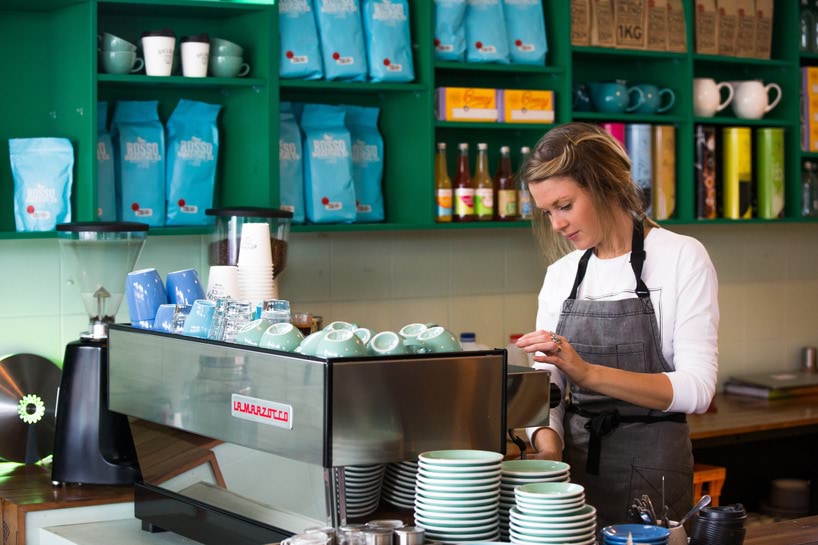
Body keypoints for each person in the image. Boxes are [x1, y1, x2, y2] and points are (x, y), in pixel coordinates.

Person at [516, 123, 719, 528]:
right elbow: (549, 386)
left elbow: (697, 390)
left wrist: (587, 372)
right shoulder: (561, 274)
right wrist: (549, 446)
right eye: (548, 212)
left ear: (605, 184)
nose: (556, 224)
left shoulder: (682, 257)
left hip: (655, 472)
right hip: (574, 475)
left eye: (565, 205)